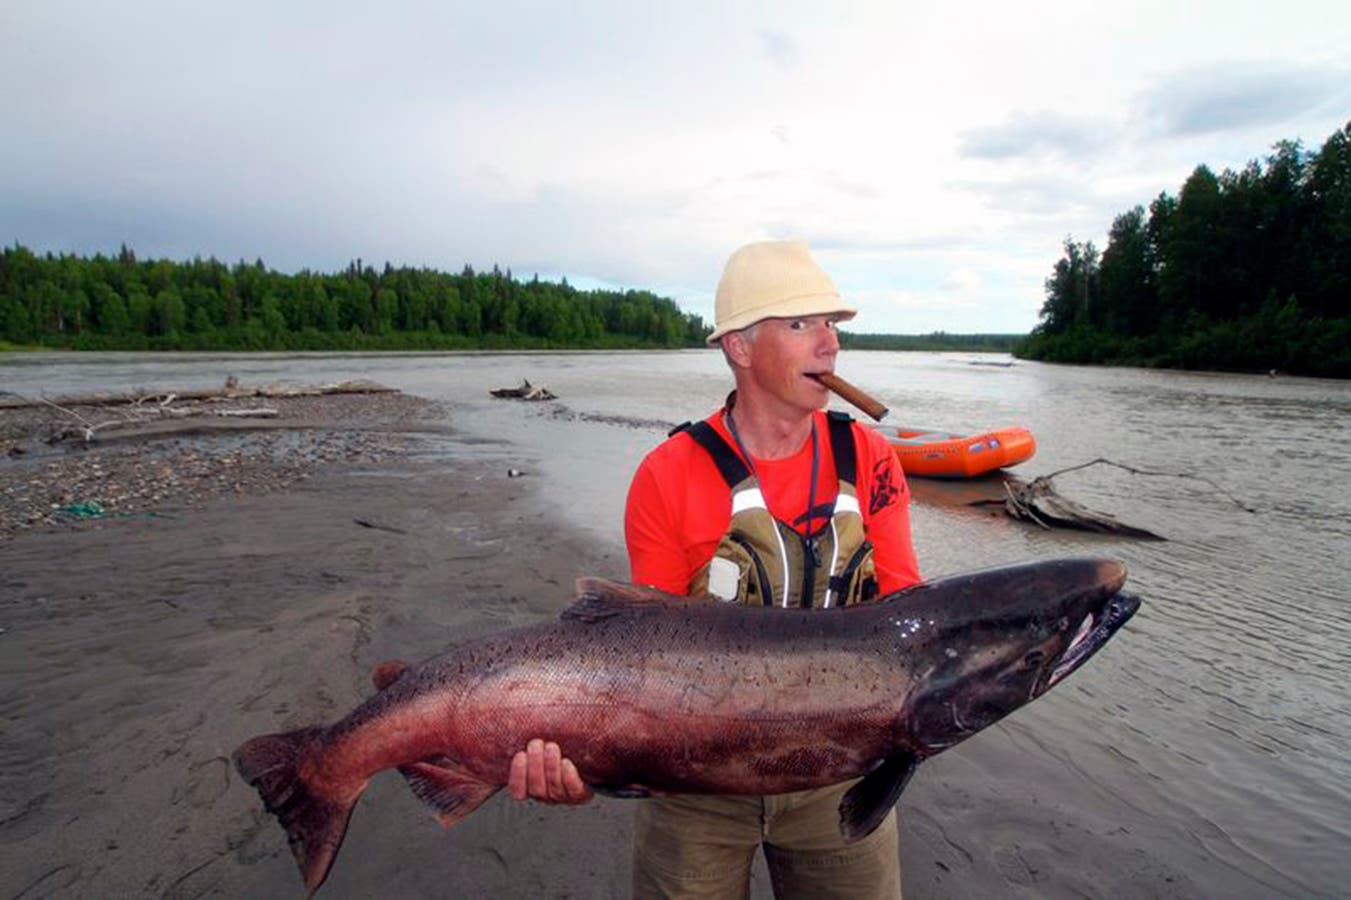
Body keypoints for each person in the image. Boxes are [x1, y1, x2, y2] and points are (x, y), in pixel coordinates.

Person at [509, 239, 922, 899]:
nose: (830, 344)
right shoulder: (667, 473)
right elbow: (644, 661)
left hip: (841, 782)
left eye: (831, 324)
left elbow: (911, 628)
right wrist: (588, 763)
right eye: (801, 324)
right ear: (739, 347)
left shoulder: (870, 458)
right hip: (693, 788)